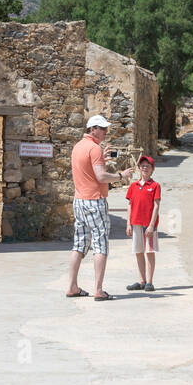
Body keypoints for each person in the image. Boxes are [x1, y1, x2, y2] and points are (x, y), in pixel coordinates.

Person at [67, 115, 132, 301]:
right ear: (92, 129)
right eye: (102, 129)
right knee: (100, 243)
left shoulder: (79, 146)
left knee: (79, 244)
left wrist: (101, 159)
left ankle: (72, 286)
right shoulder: (94, 148)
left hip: (79, 200)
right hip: (95, 200)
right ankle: (98, 289)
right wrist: (121, 175)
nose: (105, 132)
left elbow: (87, 168)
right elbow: (101, 177)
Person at [124, 154, 161, 292]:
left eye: (148, 166)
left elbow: (156, 205)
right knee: (138, 251)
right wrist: (128, 223)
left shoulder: (155, 186)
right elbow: (130, 205)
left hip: (149, 224)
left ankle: (149, 282)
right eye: (143, 166)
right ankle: (141, 280)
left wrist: (152, 225)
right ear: (139, 168)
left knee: (149, 251)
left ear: (152, 169)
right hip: (136, 223)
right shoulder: (133, 186)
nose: (145, 168)